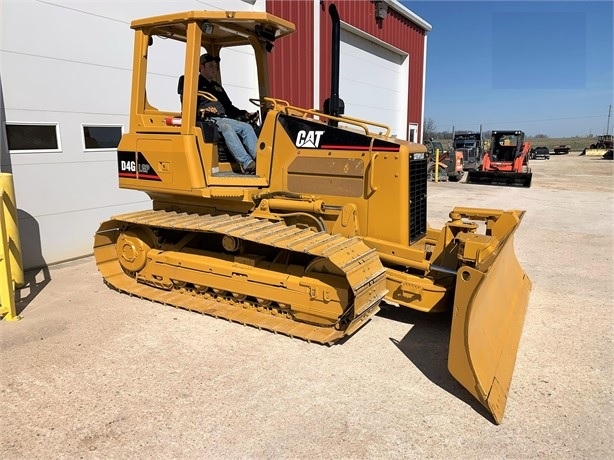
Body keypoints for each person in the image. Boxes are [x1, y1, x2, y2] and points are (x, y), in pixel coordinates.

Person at [196, 53, 259, 174]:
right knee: (227, 128)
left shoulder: (217, 87)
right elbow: (189, 105)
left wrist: (245, 114)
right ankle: (247, 164)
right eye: (210, 66)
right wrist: (203, 111)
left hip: (222, 118)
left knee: (247, 127)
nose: (214, 68)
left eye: (215, 66)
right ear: (201, 67)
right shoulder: (194, 83)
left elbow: (229, 107)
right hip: (207, 119)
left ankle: (260, 159)